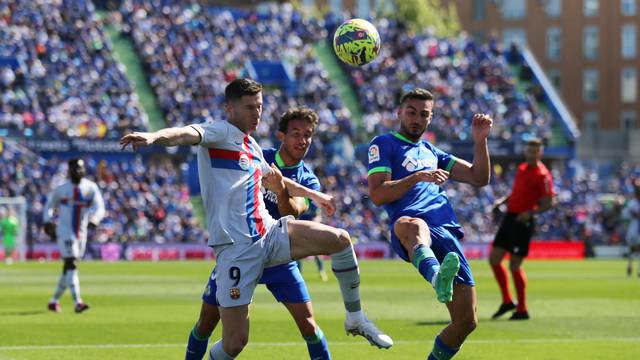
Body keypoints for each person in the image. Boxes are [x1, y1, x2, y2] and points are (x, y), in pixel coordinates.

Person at [120, 78, 392, 360]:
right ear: (229, 108)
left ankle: (356, 318)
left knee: (340, 239)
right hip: (237, 249)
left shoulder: (253, 147)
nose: (257, 113)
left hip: (270, 234)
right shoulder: (218, 132)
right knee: (235, 343)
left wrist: (318, 197)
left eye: (260, 106)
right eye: (250, 107)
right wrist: (154, 137)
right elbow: (185, 133)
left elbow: (278, 179)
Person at [186, 107, 332, 360]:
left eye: (308, 134)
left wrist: (280, 189)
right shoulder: (258, 155)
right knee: (205, 324)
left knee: (309, 325)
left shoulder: (309, 180)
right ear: (281, 136)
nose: (303, 140)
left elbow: (292, 213)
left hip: (279, 255)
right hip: (241, 250)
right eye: (296, 133)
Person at [367, 88, 492, 360]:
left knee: (466, 322)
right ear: (399, 112)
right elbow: (377, 194)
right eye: (411, 112)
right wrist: (416, 177)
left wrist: (480, 141)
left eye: (424, 114)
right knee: (414, 227)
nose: (416, 119)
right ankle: (437, 277)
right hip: (408, 224)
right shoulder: (384, 143)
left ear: (430, 118)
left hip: (446, 230)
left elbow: (478, 177)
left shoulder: (433, 152)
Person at [489, 138, 554, 320]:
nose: (532, 154)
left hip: (523, 221)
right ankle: (508, 301)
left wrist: (531, 213)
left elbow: (549, 202)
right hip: (510, 216)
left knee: (514, 265)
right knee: (494, 259)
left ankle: (522, 309)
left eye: (536, 151)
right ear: (526, 151)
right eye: (530, 150)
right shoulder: (522, 168)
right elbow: (517, 192)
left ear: (540, 153)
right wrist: (502, 201)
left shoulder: (543, 175)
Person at [43, 158, 105, 313]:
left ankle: (54, 300)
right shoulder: (61, 189)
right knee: (71, 263)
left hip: (81, 232)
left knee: (69, 267)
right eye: (76, 169)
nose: (79, 171)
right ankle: (78, 302)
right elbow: (49, 205)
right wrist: (47, 221)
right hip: (64, 231)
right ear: (70, 171)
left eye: (81, 168)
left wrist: (95, 219)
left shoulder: (90, 188)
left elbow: (100, 206)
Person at [622, 181, 640, 277]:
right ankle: (630, 265)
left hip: (635, 227)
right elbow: (627, 215)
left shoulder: (632, 203)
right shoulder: (632, 203)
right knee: (632, 248)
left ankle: (637, 269)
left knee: (636, 248)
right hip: (634, 227)